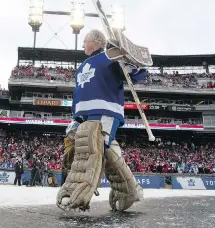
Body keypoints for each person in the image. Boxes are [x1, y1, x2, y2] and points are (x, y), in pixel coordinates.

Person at [56, 29, 147, 212]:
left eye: (85, 41)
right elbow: (78, 93)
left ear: (96, 41)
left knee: (93, 147)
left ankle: (78, 191)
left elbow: (138, 75)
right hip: (84, 114)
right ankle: (130, 189)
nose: (82, 45)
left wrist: (128, 60)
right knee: (97, 148)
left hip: (105, 109)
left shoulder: (110, 57)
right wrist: (76, 116)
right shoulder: (82, 66)